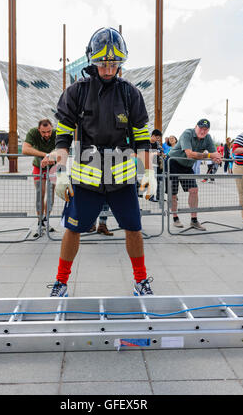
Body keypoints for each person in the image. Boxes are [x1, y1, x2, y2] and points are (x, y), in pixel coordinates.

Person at [46, 27, 156, 297]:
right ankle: (61, 283)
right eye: (103, 63)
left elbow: (142, 138)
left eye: (114, 64)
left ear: (121, 63)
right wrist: (60, 172)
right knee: (73, 230)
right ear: (91, 61)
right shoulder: (76, 92)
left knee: (134, 228)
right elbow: (62, 138)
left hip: (121, 176)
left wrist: (149, 172)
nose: (108, 69)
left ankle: (141, 280)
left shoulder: (131, 94)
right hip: (86, 177)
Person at [167, 119, 222, 230]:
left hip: (187, 167)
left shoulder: (208, 137)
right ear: (196, 126)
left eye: (205, 129)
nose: (203, 131)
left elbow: (215, 153)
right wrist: (210, 155)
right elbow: (190, 154)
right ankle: (175, 218)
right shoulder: (187, 133)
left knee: (194, 190)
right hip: (173, 163)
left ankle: (194, 220)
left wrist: (217, 158)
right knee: (173, 193)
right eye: (201, 128)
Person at [22, 119, 57, 237]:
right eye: (43, 132)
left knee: (51, 194)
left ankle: (46, 220)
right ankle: (40, 222)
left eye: (49, 131)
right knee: (40, 193)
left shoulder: (57, 133)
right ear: (39, 130)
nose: (47, 134)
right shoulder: (33, 132)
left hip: (53, 167)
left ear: (52, 128)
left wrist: (51, 155)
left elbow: (62, 149)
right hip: (39, 166)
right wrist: (45, 155)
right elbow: (25, 149)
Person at [149, 129, 164, 201]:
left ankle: (159, 196)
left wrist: (159, 152)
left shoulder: (157, 144)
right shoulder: (146, 143)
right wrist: (155, 153)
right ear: (153, 136)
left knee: (159, 180)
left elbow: (161, 150)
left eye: (159, 138)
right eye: (157, 138)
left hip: (157, 164)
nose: (158, 140)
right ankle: (151, 196)